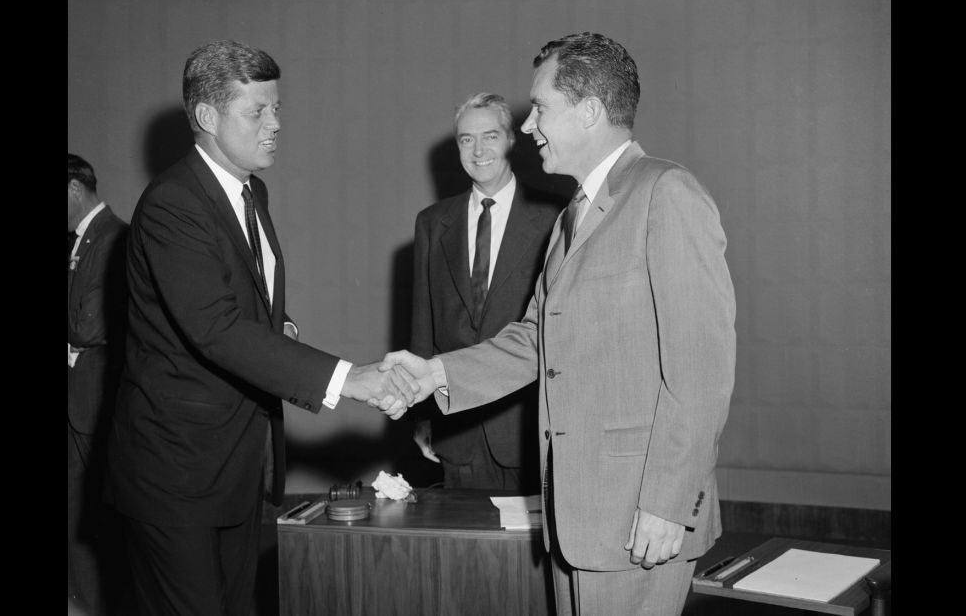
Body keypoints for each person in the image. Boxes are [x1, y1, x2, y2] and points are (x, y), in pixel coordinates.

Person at [382, 32, 736, 615]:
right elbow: (534, 337)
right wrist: (434, 373)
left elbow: (701, 371)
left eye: (540, 107)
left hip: (639, 518)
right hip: (579, 518)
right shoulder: (573, 213)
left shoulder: (665, 193)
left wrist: (670, 504)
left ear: (590, 111)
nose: (527, 127)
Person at [105, 40, 414, 616]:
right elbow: (216, 328)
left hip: (241, 467)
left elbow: (247, 302)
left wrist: (282, 331)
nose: (276, 125)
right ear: (206, 117)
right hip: (178, 476)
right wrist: (352, 379)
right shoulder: (173, 203)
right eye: (258, 112)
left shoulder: (250, 190)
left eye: (277, 109)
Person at [409, 92, 560, 492]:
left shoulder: (555, 218)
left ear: (512, 139)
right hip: (456, 430)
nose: (478, 150)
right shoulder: (432, 223)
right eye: (466, 139)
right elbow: (424, 324)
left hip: (528, 428)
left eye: (490, 136)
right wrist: (424, 413)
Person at [68, 153, 130, 615]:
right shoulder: (78, 242)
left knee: (94, 515)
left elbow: (88, 328)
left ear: (73, 189)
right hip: (76, 399)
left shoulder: (114, 237)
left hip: (93, 402)